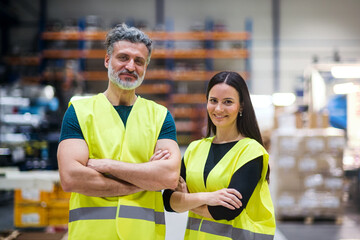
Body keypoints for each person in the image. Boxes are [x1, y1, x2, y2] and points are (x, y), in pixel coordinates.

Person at [57, 23, 181, 240]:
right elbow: (71, 177)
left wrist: (106, 165)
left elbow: (168, 177)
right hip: (91, 235)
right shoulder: (79, 111)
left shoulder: (160, 116)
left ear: (145, 67)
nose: (131, 66)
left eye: (139, 61)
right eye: (123, 58)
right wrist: (143, 180)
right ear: (107, 60)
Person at [163, 71, 276, 239]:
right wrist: (207, 197)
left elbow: (227, 210)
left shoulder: (251, 152)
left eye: (228, 102)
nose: (218, 109)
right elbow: (168, 201)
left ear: (241, 106)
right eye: (213, 101)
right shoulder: (194, 149)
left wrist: (186, 200)